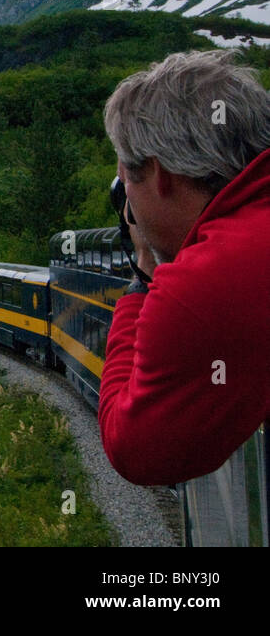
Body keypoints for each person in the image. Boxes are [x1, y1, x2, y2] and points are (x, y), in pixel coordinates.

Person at [99, 48, 270, 486]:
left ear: (159, 175)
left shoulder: (205, 282)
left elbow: (137, 451)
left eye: (128, 184)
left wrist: (145, 274)